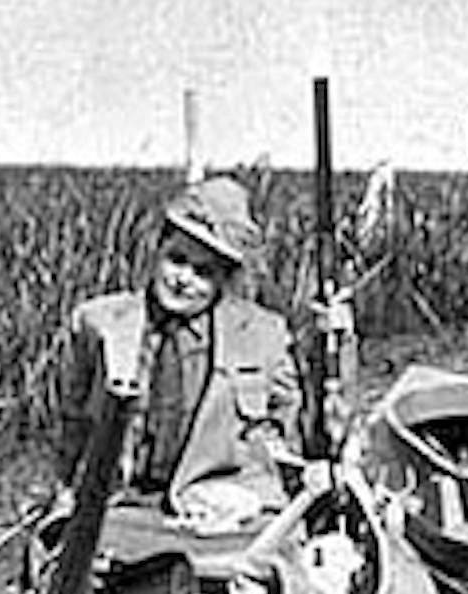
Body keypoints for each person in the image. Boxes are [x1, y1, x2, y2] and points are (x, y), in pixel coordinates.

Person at [48, 175, 307, 534]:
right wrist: (66, 490)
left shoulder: (263, 335)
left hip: (219, 507)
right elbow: (73, 420)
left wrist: (251, 494)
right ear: (158, 250)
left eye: (203, 272)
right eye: (177, 260)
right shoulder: (99, 324)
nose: (184, 279)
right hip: (123, 503)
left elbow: (284, 429)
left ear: (223, 281)